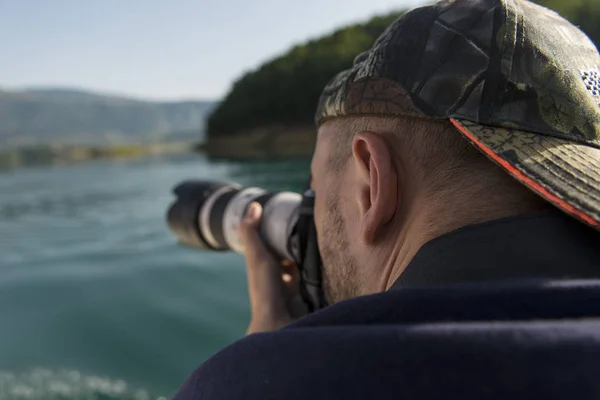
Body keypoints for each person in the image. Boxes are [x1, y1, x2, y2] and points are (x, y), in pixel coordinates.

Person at [174, 0, 600, 398]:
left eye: (316, 191)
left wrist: (267, 362)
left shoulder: (262, 381)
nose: (309, 209)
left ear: (370, 184)